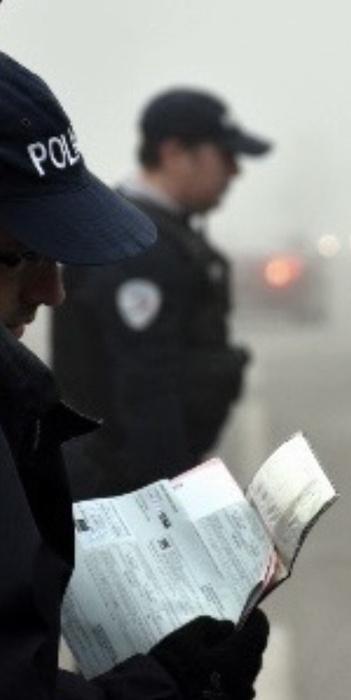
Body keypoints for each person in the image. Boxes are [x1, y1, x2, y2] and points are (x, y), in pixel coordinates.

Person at [0, 52, 268, 699]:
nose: (53, 291)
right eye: (26, 254)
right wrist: (166, 684)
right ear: (176, 153)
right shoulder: (150, 257)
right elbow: (146, 395)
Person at [52, 87, 271, 499]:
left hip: (128, 480)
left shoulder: (155, 232)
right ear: (174, 153)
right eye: (224, 156)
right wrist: (174, 502)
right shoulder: (134, 248)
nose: (234, 172)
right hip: (120, 490)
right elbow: (145, 393)